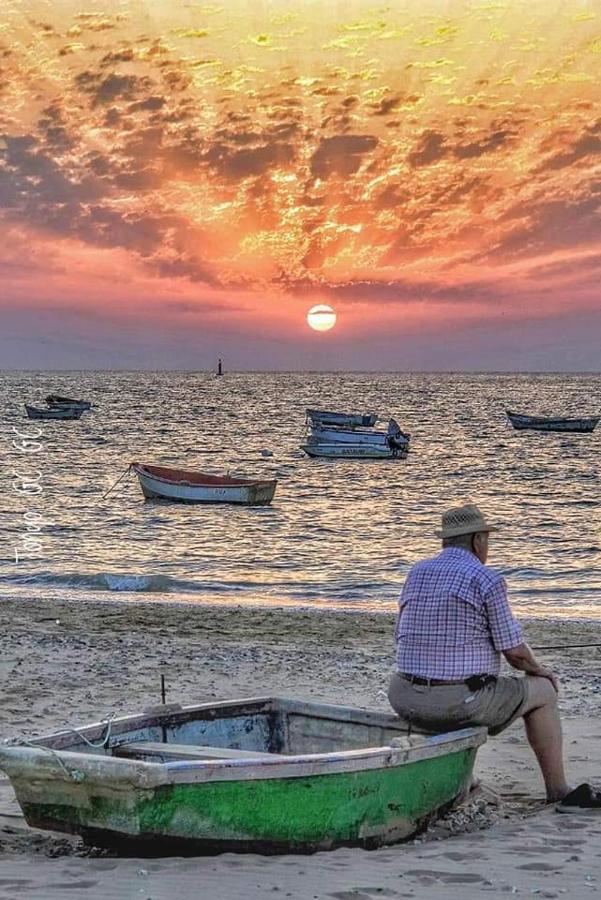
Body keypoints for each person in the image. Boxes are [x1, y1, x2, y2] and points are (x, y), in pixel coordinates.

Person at [388, 503, 600, 811]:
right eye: (487, 538)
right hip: (455, 702)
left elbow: (404, 634)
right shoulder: (486, 578)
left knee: (462, 684)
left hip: (404, 697)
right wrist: (541, 670)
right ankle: (558, 790)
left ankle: (464, 777)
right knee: (543, 691)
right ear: (477, 541)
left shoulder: (417, 572)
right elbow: (515, 654)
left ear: (446, 541)